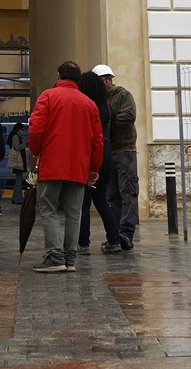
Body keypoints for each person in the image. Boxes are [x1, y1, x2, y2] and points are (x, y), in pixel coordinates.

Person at [26, 61, 102, 274]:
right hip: (79, 166)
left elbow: (36, 129)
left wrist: (35, 152)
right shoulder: (89, 104)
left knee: (48, 208)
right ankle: (70, 258)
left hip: (52, 163)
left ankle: (54, 256)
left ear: (59, 75)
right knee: (74, 212)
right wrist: (94, 168)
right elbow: (98, 140)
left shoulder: (48, 96)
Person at [77, 70, 123, 254]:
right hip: (106, 156)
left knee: (84, 203)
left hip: (90, 157)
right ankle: (114, 239)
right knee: (102, 201)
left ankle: (83, 243)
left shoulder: (87, 106)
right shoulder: (107, 107)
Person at [96, 64, 139, 251]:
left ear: (109, 79)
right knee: (112, 195)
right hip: (110, 152)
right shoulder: (101, 100)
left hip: (124, 150)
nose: (105, 82)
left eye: (106, 79)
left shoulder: (123, 95)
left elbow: (129, 116)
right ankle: (115, 233)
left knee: (127, 192)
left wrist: (108, 120)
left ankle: (127, 232)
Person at [6, 122, 30, 206]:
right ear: (18, 129)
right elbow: (17, 147)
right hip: (18, 161)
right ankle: (18, 199)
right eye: (22, 130)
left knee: (18, 180)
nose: (23, 132)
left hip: (17, 161)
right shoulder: (16, 137)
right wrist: (24, 143)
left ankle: (15, 198)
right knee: (19, 180)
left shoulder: (14, 135)